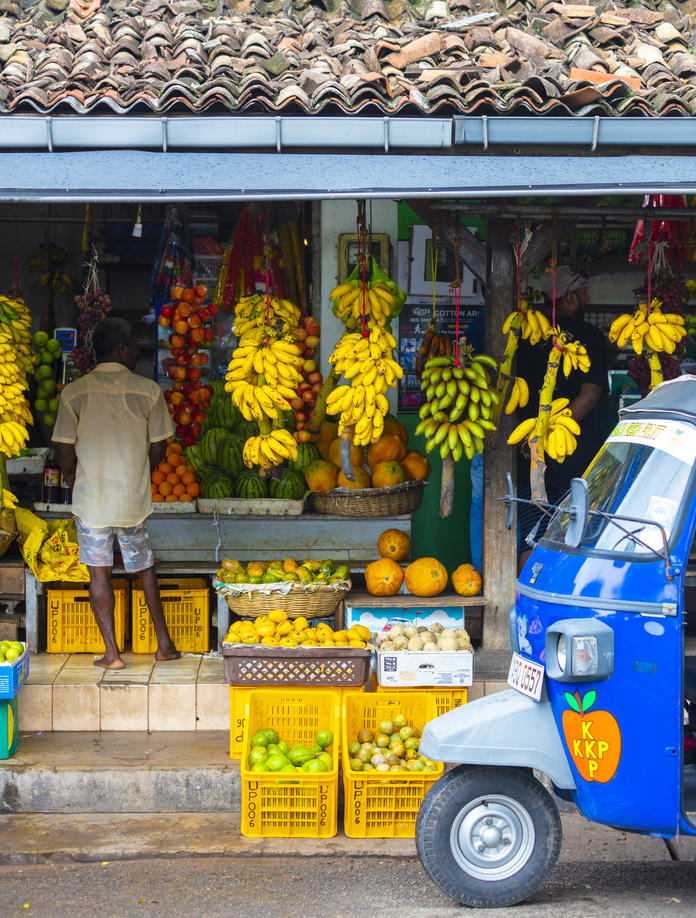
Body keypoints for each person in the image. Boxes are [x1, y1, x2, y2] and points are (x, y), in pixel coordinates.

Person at [52, 317, 180, 670]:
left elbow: (63, 449)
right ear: (122, 348)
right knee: (145, 569)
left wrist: (71, 473)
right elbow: (159, 448)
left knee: (99, 575)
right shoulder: (148, 390)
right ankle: (164, 645)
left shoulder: (74, 392)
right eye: (134, 345)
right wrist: (141, 470)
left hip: (91, 500)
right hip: (132, 501)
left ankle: (112, 655)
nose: (137, 351)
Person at [515, 269, 608, 573]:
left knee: (533, 538)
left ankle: (529, 599)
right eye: (584, 294)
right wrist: (555, 433)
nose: (588, 299)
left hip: (531, 456)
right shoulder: (590, 337)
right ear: (569, 297)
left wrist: (541, 436)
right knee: (575, 541)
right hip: (576, 459)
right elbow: (591, 394)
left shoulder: (525, 337)